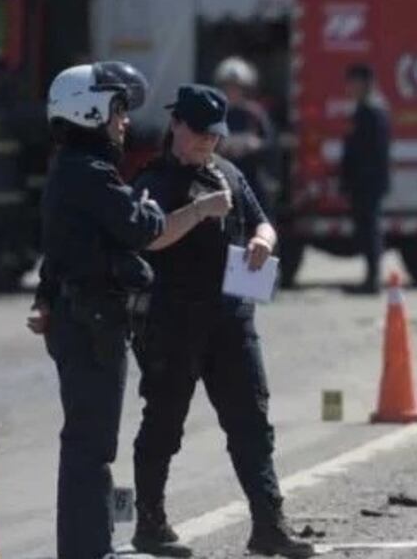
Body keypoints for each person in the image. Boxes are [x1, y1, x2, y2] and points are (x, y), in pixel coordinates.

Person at [128, 84, 314, 558]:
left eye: (213, 137)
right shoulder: (154, 181)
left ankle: (269, 525)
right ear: (176, 126)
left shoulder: (227, 173)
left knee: (251, 420)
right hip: (173, 321)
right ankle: (150, 523)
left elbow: (263, 221)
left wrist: (263, 244)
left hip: (231, 318)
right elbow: (148, 239)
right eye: (199, 135)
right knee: (164, 423)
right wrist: (199, 211)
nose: (207, 144)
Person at [27, 62, 166, 559]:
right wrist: (147, 205)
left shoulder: (70, 168)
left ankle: (88, 545)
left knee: (87, 441)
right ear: (89, 110)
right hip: (93, 323)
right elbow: (140, 226)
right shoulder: (89, 174)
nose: (124, 121)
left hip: (83, 320)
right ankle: (88, 549)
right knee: (91, 445)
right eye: (117, 108)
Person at [339, 63, 391, 294]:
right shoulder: (363, 109)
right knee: (365, 229)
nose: (350, 87)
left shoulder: (373, 110)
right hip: (362, 181)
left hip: (368, 181)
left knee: (370, 229)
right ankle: (370, 277)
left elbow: (374, 150)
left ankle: (373, 279)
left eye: (354, 82)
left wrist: (362, 177)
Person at [214, 56, 278, 215]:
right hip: (221, 180)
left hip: (251, 180)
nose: (232, 91)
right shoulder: (215, 114)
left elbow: (270, 144)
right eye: (228, 87)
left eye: (237, 87)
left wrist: (254, 145)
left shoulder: (255, 114)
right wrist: (223, 146)